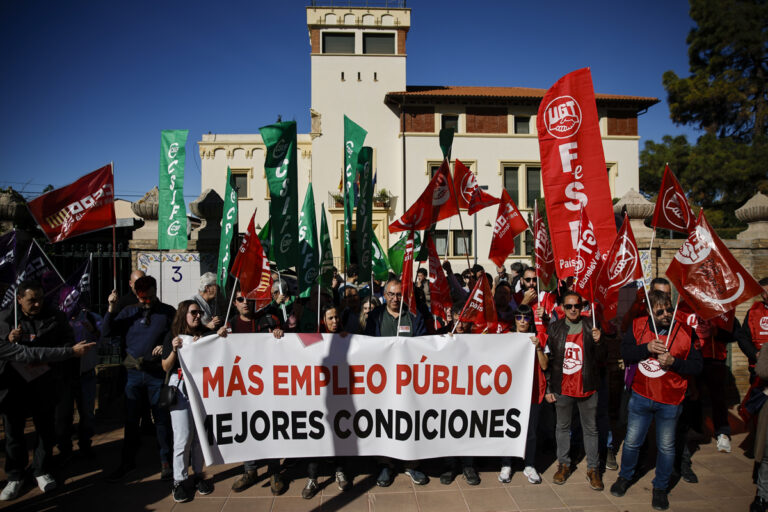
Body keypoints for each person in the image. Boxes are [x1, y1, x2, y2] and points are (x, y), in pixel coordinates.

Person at [0, 281, 94, 501]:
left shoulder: (55, 317)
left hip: (45, 382)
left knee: (45, 430)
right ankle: (15, 475)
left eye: (40, 299)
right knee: (14, 433)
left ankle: (41, 470)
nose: (37, 304)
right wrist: (9, 339)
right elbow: (8, 350)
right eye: (32, 300)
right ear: (19, 299)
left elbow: (67, 343)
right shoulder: (5, 319)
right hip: (14, 386)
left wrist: (55, 356)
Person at [610, 290, 702, 511]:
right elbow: (626, 352)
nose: (665, 314)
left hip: (670, 399)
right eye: (659, 311)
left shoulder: (686, 331)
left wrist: (674, 362)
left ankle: (660, 488)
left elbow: (697, 367)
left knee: (666, 447)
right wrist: (646, 348)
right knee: (632, 442)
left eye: (669, 309)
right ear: (650, 311)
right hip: (641, 396)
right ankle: (625, 477)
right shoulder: (637, 325)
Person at [102, 275, 176, 481]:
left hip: (156, 374)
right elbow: (107, 332)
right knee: (131, 420)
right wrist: (111, 308)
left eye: (150, 297)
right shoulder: (129, 312)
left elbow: (177, 334)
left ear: (155, 291)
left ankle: (166, 461)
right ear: (136, 294)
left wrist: (166, 346)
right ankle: (128, 462)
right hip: (132, 375)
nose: (147, 302)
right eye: (143, 298)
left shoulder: (167, 312)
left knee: (161, 420)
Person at [218, 290, 286, 495]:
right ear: (235, 303)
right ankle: (250, 470)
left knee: (271, 424)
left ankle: (275, 471)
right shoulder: (229, 326)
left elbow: (286, 348)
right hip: (243, 387)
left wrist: (280, 334)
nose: (245, 302)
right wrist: (218, 338)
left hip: (270, 385)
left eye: (248, 299)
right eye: (240, 299)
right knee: (246, 425)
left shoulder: (270, 319)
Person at [364, 278, 428, 486]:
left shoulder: (414, 316)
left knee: (410, 421)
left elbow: (424, 345)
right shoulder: (375, 316)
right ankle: (385, 464)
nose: (394, 298)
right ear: (384, 295)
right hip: (382, 383)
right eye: (390, 294)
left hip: (409, 381)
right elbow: (366, 346)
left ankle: (411, 465)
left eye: (399, 294)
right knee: (384, 421)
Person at [546, 291, 605, 490]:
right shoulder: (554, 328)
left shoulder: (592, 326)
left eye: (577, 306)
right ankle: (563, 465)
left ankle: (593, 469)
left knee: (591, 430)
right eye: (569, 306)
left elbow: (602, 358)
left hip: (587, 387)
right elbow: (549, 360)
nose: (573, 310)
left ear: (582, 307)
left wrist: (599, 341)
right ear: (562, 308)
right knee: (562, 428)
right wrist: (548, 387)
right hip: (562, 387)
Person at [161, 300, 215, 503]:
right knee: (183, 436)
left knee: (200, 437)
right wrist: (174, 350)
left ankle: (199, 474)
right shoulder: (173, 336)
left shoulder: (205, 334)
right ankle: (179, 480)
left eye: (199, 312)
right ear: (183, 313)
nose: (197, 316)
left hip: (202, 390)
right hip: (181, 391)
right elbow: (165, 367)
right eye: (193, 312)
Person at [302, 305, 352, 499]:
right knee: (317, 436)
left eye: (337, 317)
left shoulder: (347, 338)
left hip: (341, 397)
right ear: (323, 320)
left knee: (340, 435)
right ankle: (313, 477)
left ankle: (340, 471)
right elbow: (290, 347)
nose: (334, 322)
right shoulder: (313, 338)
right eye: (330, 318)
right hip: (317, 398)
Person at [499, 305, 548, 485]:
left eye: (526, 318)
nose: (522, 321)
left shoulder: (539, 337)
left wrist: (538, 348)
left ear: (530, 321)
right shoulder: (507, 338)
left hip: (533, 393)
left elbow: (544, 366)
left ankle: (529, 464)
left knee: (531, 432)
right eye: (518, 317)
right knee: (508, 430)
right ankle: (506, 464)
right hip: (510, 394)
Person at [56, 306, 102, 460]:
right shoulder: (58, 318)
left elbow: (104, 339)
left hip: (86, 373)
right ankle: (65, 448)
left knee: (87, 412)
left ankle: (85, 444)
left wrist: (94, 331)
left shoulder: (92, 317)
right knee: (64, 415)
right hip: (65, 375)